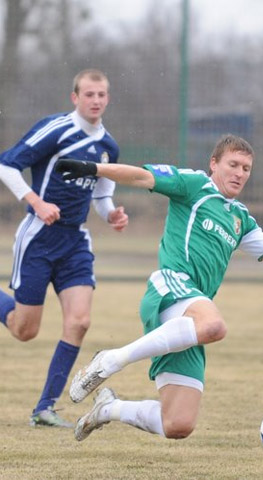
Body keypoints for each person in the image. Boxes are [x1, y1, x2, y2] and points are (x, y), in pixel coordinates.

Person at [53, 134, 263, 442]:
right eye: (233, 164)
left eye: (246, 168)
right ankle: (111, 359)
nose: (240, 173)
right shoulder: (193, 185)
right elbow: (141, 175)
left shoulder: (240, 219)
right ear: (214, 164)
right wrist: (94, 168)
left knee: (177, 424)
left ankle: (108, 409)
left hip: (191, 314)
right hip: (171, 286)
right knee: (214, 326)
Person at [0, 69, 129, 428]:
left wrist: (112, 214)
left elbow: (102, 194)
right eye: (89, 94)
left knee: (80, 321)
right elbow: (6, 165)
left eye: (101, 94)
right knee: (24, 330)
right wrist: (36, 203)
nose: (96, 100)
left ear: (108, 98)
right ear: (75, 98)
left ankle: (45, 408)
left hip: (75, 242)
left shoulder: (109, 147)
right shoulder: (56, 130)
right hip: (39, 237)